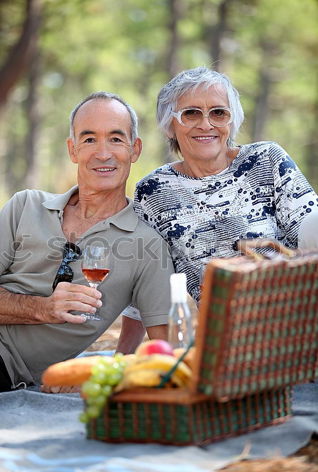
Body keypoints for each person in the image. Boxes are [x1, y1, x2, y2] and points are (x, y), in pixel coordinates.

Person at [119, 66, 318, 342]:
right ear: (170, 124)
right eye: (190, 113)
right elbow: (144, 284)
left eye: (218, 112)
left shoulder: (266, 159)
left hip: (294, 314)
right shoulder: (153, 190)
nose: (206, 124)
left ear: (231, 120)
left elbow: (311, 235)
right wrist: (122, 359)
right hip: (226, 337)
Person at [0, 91, 174, 392]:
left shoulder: (148, 246)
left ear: (135, 149)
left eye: (116, 139)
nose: (103, 153)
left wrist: (117, 371)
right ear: (73, 149)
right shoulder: (24, 205)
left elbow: (167, 351)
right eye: (90, 139)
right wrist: (43, 308)